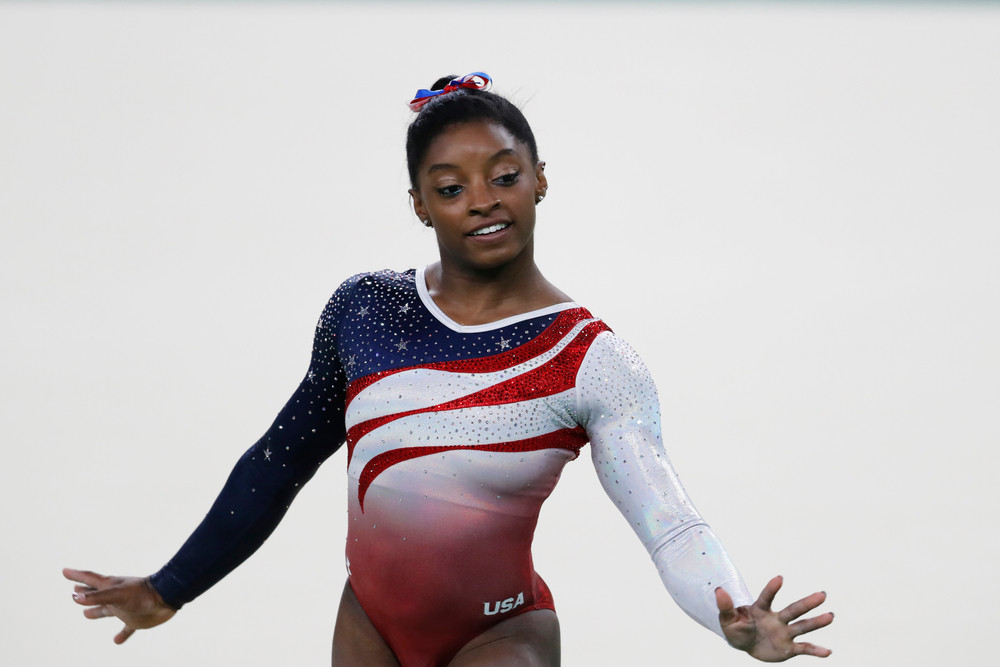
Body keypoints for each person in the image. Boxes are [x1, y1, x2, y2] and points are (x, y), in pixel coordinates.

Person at [65, 72, 833, 666]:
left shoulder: (590, 360)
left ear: (540, 178)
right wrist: (170, 587)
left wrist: (730, 610)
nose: (482, 201)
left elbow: (669, 522)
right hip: (368, 625)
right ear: (420, 205)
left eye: (504, 176)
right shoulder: (365, 310)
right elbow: (278, 461)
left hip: (501, 637)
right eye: (451, 188)